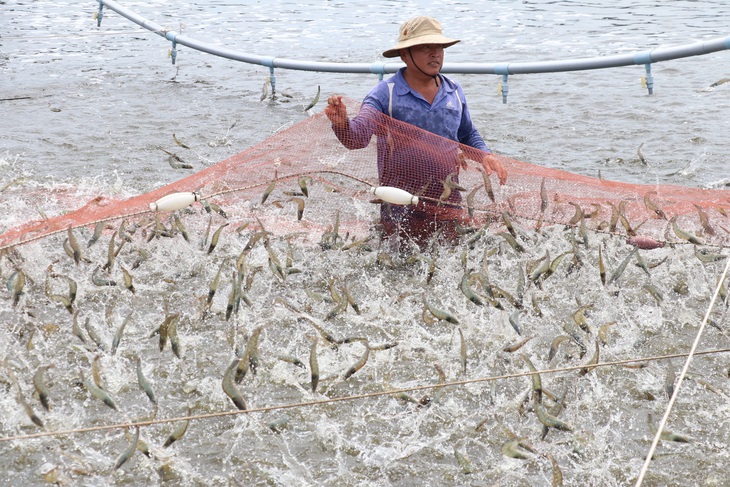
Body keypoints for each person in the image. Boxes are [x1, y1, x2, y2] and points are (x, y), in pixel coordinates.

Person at [325, 16, 506, 247]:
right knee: (399, 259)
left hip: (447, 199)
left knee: (449, 258)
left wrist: (485, 155)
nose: (435, 53)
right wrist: (341, 124)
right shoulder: (385, 94)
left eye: (439, 47)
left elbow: (466, 135)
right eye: (424, 47)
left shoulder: (454, 91)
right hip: (399, 202)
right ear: (404, 54)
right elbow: (357, 138)